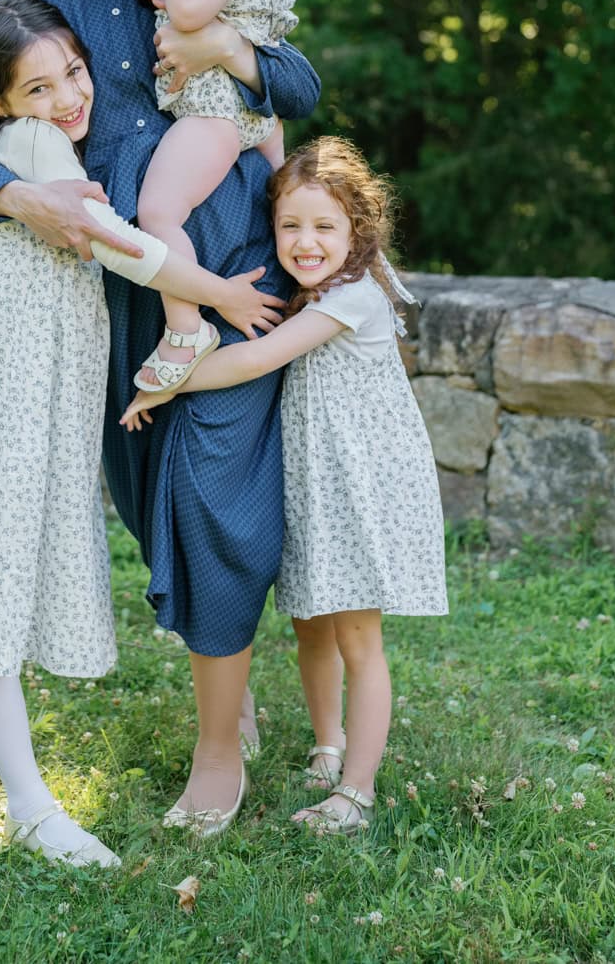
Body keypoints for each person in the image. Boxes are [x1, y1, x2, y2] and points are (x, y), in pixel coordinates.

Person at [0, 0, 321, 837]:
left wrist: (226, 45)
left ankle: (221, 739)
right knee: (142, 500)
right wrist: (23, 200)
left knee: (207, 497)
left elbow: (300, 84)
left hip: (215, 257)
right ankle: (218, 666)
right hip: (93, 282)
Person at [0, 0, 280, 868]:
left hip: (1, 382)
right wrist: (222, 295)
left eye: (73, 72)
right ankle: (30, 806)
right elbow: (124, 245)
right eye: (38, 89)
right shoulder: (33, 152)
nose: (69, 96)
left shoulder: (44, 138)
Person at [121, 136, 448, 834]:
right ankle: (328, 747)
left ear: (358, 229)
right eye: (289, 225)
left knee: (358, 639)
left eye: (325, 226)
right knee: (311, 625)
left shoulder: (353, 295)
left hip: (358, 487)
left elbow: (253, 361)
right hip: (317, 483)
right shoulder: (316, 283)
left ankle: (354, 794)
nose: (304, 242)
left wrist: (160, 385)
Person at [134, 0, 333, 396]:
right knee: (284, 199)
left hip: (215, 109)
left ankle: (185, 327)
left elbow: (192, 16)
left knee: (159, 212)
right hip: (255, 115)